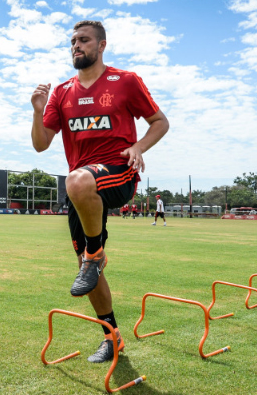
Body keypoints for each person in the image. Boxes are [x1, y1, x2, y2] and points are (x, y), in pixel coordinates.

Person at [30, 20, 169, 363]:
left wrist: (139, 147)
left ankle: (96, 254)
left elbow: (160, 122)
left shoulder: (125, 81)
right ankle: (112, 337)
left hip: (119, 173)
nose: (76, 45)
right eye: (73, 41)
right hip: (83, 190)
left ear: (102, 45)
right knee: (85, 268)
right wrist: (36, 112)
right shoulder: (61, 93)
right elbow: (40, 144)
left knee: (76, 182)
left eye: (84, 40)